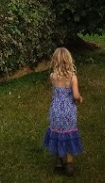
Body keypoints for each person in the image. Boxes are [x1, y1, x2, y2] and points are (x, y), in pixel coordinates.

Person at [43, 47, 83, 177]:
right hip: (68, 111)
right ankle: (69, 164)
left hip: (55, 110)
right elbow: (76, 95)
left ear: (55, 61)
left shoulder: (52, 76)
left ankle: (59, 161)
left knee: (57, 133)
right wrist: (80, 98)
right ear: (68, 60)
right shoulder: (72, 77)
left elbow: (54, 92)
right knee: (68, 134)